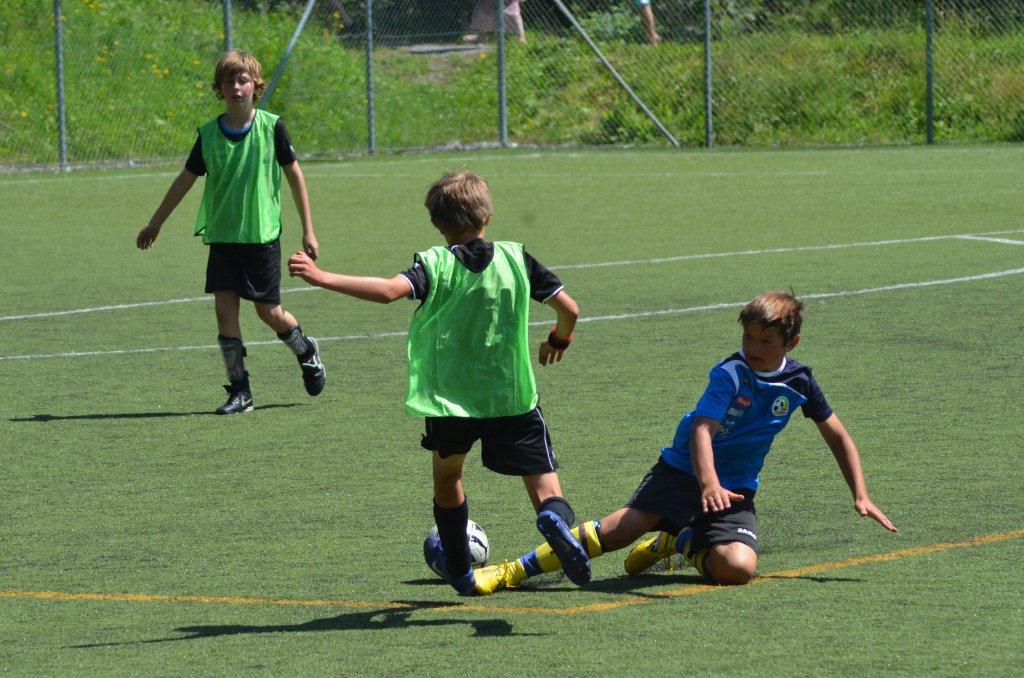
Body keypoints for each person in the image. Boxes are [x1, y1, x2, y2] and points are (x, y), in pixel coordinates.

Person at [473, 291, 897, 594]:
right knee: (621, 531)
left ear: (792, 342)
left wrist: (860, 494)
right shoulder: (730, 374)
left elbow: (837, 434)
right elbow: (701, 431)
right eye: (748, 337)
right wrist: (707, 483)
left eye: (766, 341)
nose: (753, 347)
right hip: (683, 471)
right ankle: (512, 571)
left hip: (734, 487)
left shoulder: (799, 382)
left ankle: (682, 540)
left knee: (737, 569)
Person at [287, 171, 588, 596]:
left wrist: (321, 277)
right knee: (543, 482)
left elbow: (388, 291)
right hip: (511, 395)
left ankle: (461, 571)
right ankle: (553, 519)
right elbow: (569, 309)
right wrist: (559, 339)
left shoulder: (435, 264)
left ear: (437, 224)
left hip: (451, 401)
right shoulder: (516, 258)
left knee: (448, 479)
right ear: (487, 215)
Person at [136, 49, 326, 415]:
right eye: (229, 82)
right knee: (224, 310)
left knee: (269, 313)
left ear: (256, 86)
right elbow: (185, 179)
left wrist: (309, 230)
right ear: (219, 89)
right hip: (223, 237)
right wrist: (156, 221)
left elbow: (295, 176)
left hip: (261, 237)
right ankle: (241, 392)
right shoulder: (209, 134)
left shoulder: (272, 127)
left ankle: (306, 350)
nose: (237, 87)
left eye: (243, 81)